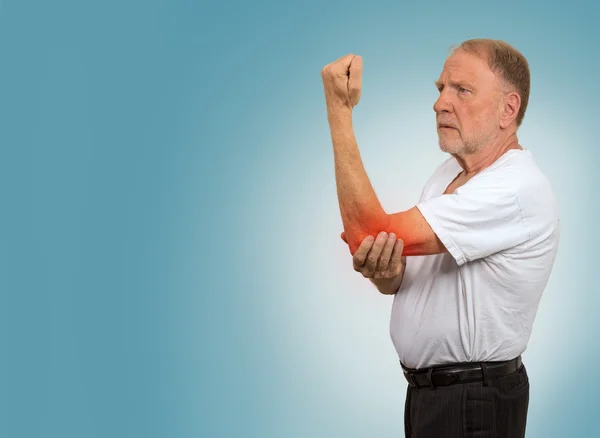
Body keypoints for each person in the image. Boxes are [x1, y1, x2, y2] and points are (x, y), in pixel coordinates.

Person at [320, 39, 560, 437]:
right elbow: (399, 279)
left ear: (508, 108)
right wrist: (384, 268)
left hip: (472, 402)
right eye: (440, 89)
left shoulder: (514, 187)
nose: (440, 103)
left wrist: (338, 111)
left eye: (462, 90)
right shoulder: (448, 174)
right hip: (433, 396)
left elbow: (365, 229)